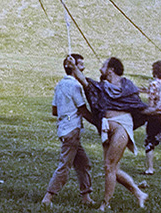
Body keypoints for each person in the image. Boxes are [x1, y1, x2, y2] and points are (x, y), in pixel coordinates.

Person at [67, 56, 158, 211]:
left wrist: (155, 108)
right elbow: (85, 83)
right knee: (112, 168)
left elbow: (137, 106)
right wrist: (73, 67)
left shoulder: (127, 85)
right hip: (105, 128)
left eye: (103, 65)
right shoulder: (101, 87)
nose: (100, 67)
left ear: (111, 69)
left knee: (109, 165)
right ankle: (139, 193)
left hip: (122, 126)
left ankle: (105, 204)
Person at [42, 54, 95, 206]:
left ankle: (86, 197)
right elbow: (83, 110)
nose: (84, 69)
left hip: (64, 130)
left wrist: (66, 110)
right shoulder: (75, 86)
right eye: (81, 66)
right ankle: (48, 198)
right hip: (71, 132)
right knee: (65, 165)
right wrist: (99, 123)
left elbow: (54, 110)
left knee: (83, 163)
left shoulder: (60, 84)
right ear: (73, 67)